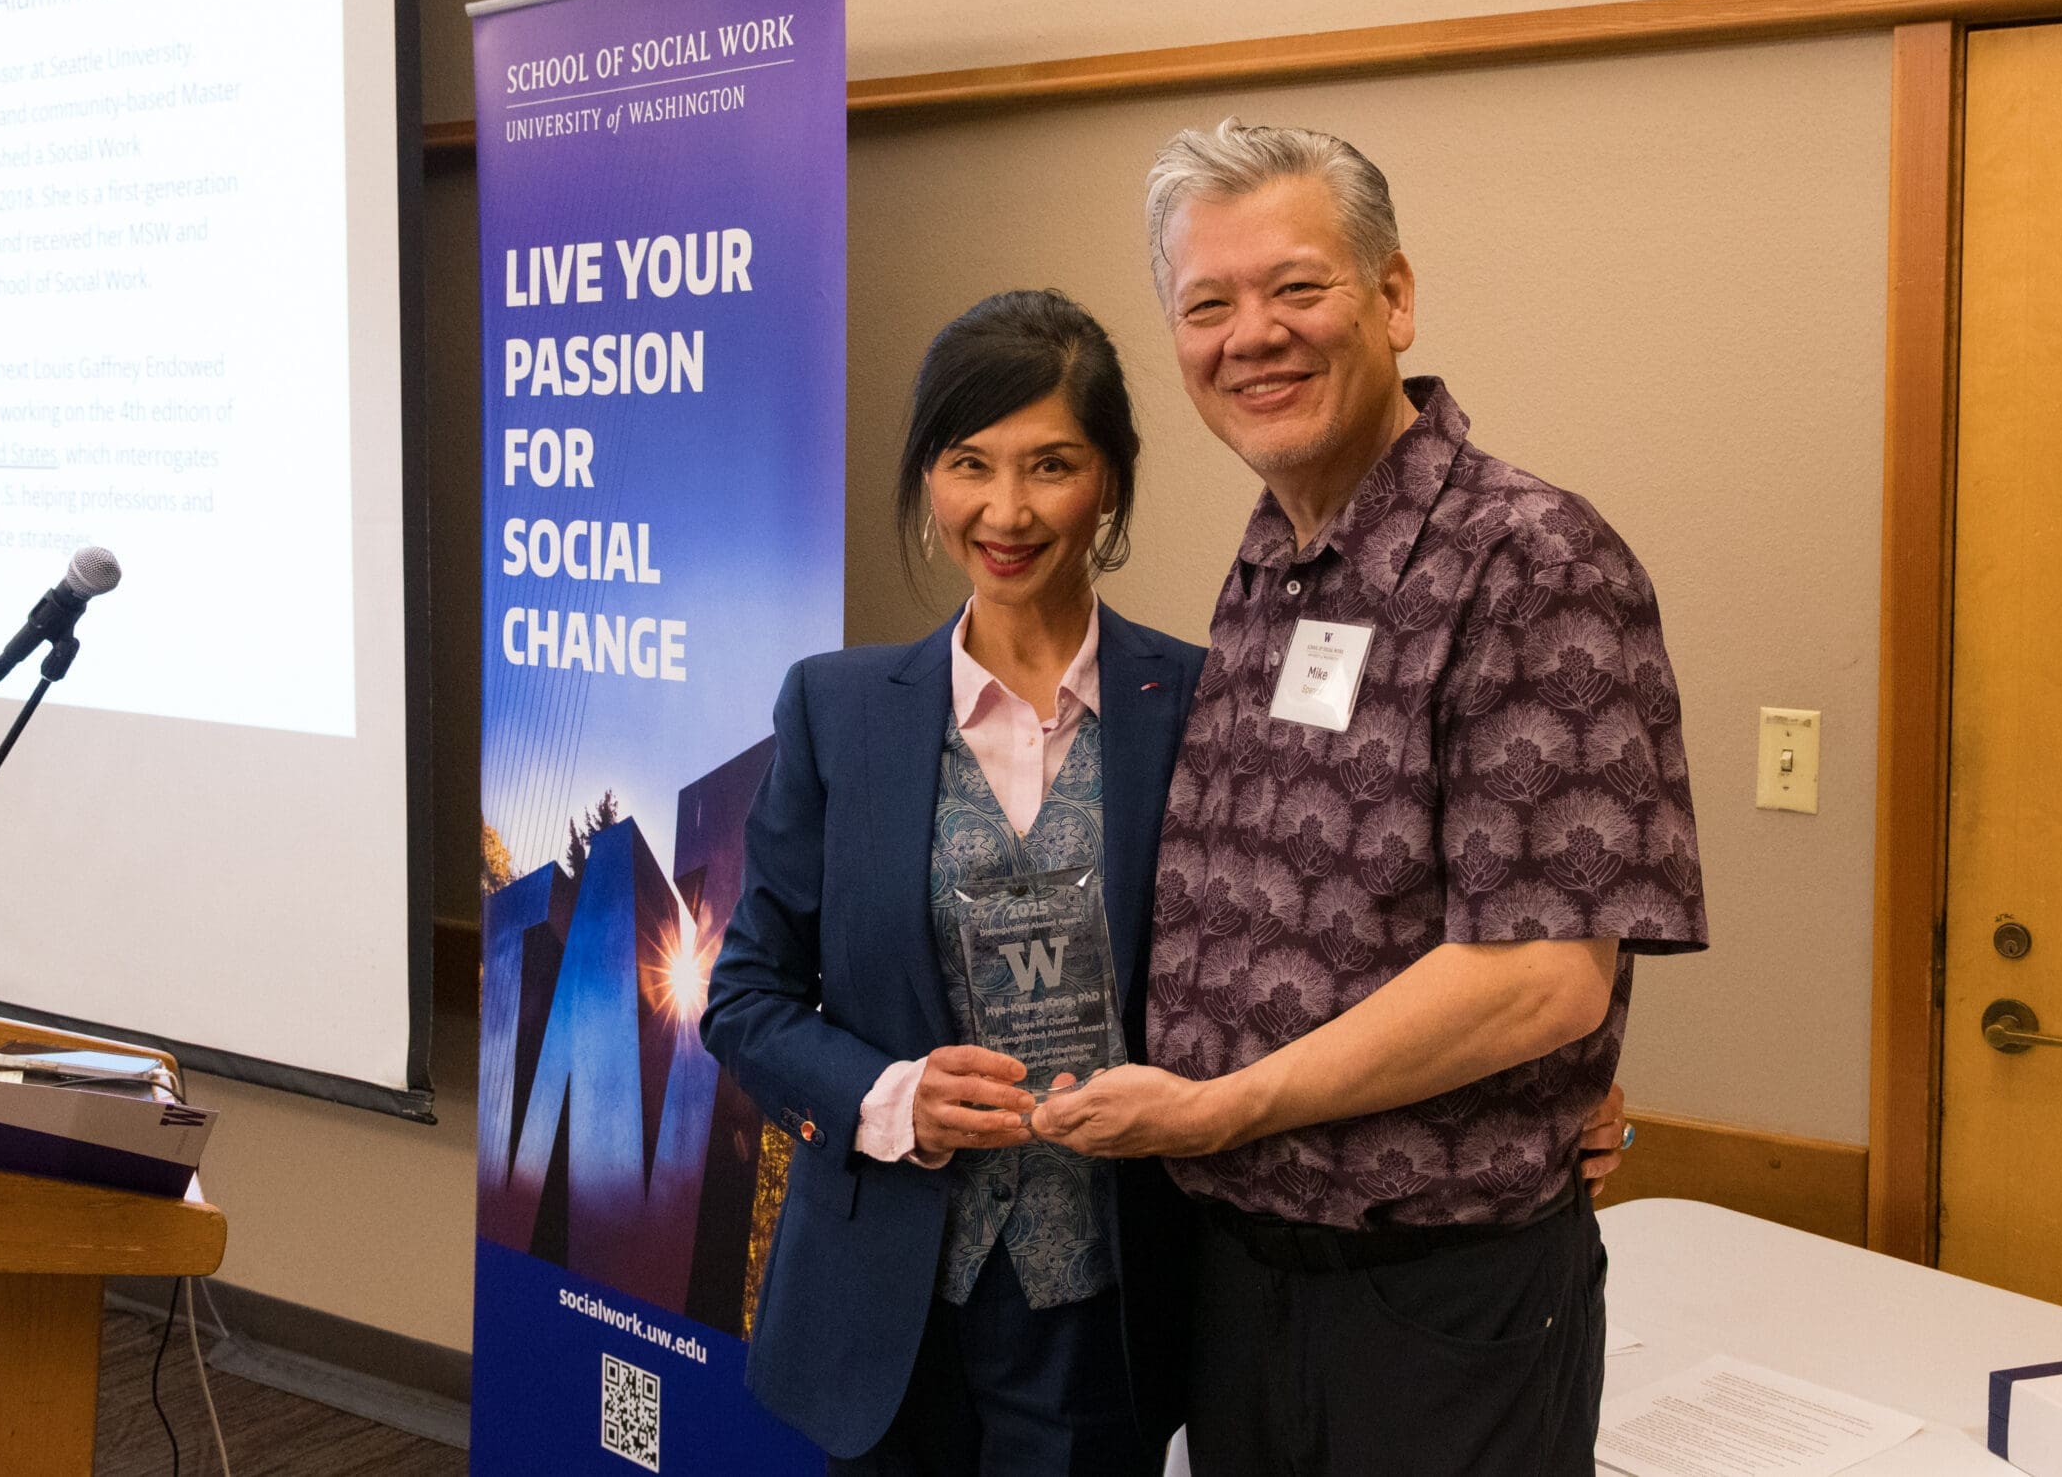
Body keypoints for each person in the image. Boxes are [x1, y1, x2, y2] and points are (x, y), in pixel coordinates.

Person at [1034, 122, 1708, 1477]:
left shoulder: (1531, 560)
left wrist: (1224, 1108)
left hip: (1433, 1305)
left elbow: (1542, 981)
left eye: (1297, 287)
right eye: (1207, 305)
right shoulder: (1269, 563)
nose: (1252, 335)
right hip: (1243, 1284)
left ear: (1393, 297)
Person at [701, 289, 1206, 1476]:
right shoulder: (835, 711)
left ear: (1111, 482)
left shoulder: (1198, 706)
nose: (1006, 510)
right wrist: (893, 1098)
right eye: (967, 463)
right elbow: (745, 1000)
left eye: (1051, 465)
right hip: (886, 1297)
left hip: (1106, 1309)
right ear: (928, 475)